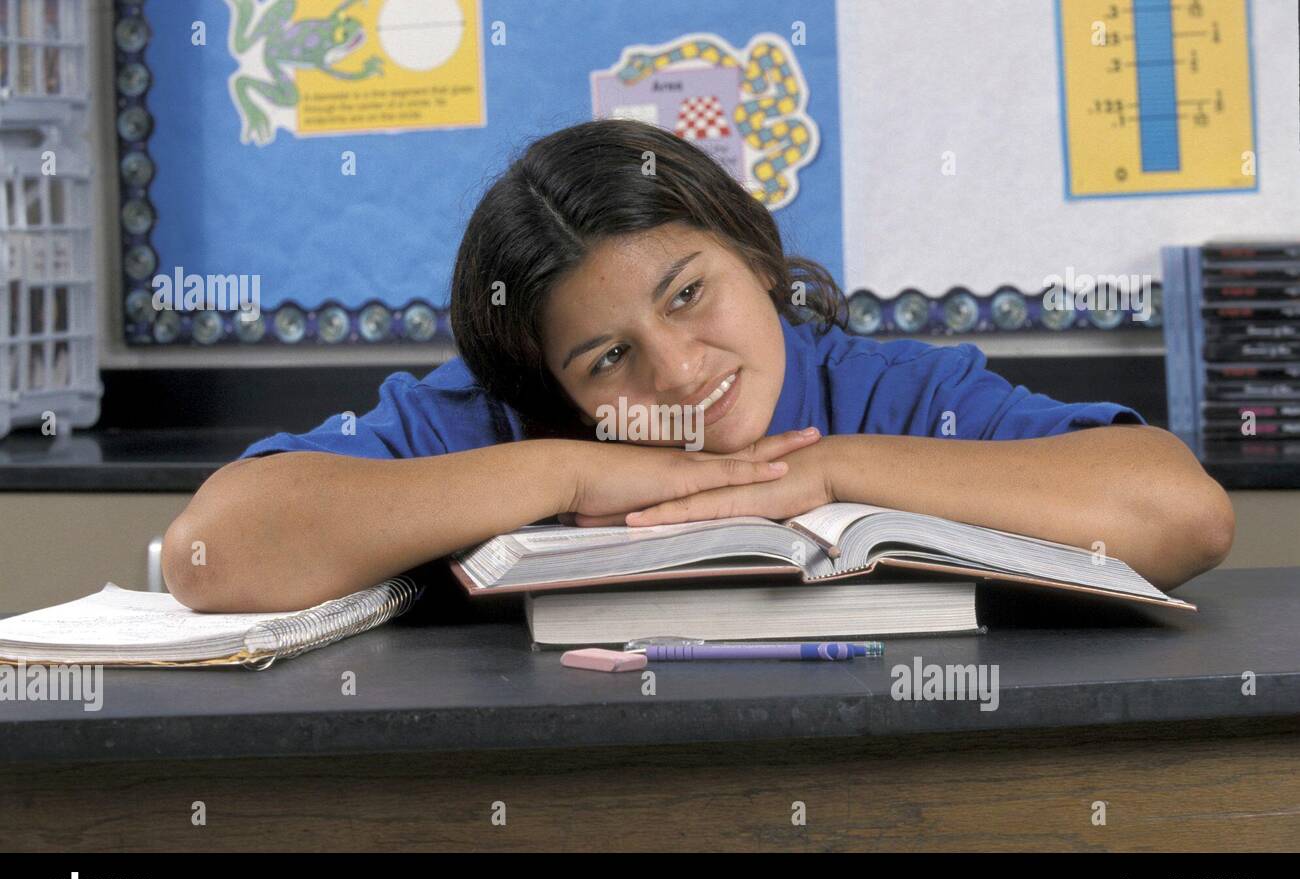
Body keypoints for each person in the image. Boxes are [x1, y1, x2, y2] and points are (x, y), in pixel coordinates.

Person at [163, 119, 1234, 612]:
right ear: (549, 381)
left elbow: (1183, 518)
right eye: (606, 356)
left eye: (689, 294)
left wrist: (824, 473)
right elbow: (211, 554)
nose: (676, 372)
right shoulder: (503, 424)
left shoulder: (891, 393)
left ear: (756, 261)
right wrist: (564, 475)